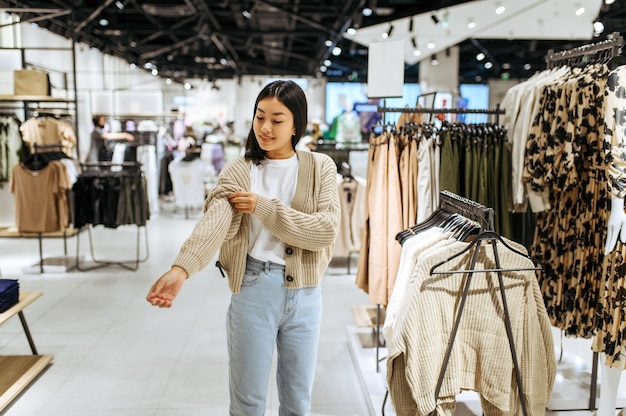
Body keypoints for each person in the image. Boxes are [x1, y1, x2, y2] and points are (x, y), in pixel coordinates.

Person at [146, 80, 341, 416]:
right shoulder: (241, 169)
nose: (265, 127)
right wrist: (182, 269)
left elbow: (324, 231)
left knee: (298, 402)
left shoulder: (321, 167)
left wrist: (264, 207)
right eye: (259, 116)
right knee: (248, 402)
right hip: (253, 289)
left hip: (306, 296)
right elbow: (215, 222)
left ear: (297, 124)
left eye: (277, 120)